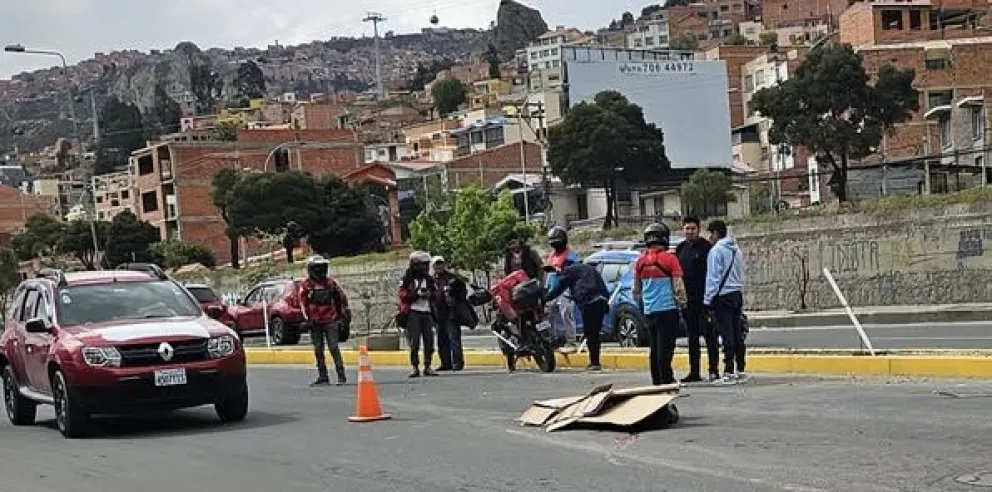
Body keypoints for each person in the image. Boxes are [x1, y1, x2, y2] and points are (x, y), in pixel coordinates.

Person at [632, 223, 688, 386]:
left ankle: (656, 380)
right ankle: (666, 379)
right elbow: (678, 285)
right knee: (666, 348)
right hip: (668, 309)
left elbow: (636, 290)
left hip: (649, 310)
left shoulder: (640, 262)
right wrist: (683, 303)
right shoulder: (670, 259)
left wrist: (644, 305)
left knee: (654, 348)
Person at [675, 215, 720, 383]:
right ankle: (694, 372)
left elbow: (713, 274)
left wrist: (710, 299)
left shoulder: (707, 248)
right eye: (687, 229)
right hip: (688, 302)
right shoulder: (680, 249)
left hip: (705, 301)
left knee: (710, 336)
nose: (690, 232)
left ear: (698, 229)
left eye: (693, 228)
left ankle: (713, 370)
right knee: (692, 338)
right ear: (683, 230)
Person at [544, 259, 610, 371]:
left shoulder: (569, 271)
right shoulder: (589, 268)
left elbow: (559, 288)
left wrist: (545, 299)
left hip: (588, 301)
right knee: (595, 333)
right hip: (601, 300)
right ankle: (595, 361)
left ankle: (595, 363)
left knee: (590, 333)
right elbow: (602, 285)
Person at [703, 220, 747, 385]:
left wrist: (707, 300)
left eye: (710, 234)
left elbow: (713, 278)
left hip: (723, 297)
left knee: (726, 334)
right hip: (736, 294)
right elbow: (742, 274)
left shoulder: (716, 251)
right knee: (737, 334)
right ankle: (740, 370)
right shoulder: (736, 250)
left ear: (715, 233)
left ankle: (728, 371)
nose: (709, 238)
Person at [298, 255, 350, 386]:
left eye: (322, 267)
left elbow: (341, 299)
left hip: (330, 320)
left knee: (334, 347)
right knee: (318, 349)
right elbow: (302, 304)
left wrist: (341, 317)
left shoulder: (331, 283)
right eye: (317, 268)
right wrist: (307, 319)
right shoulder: (306, 285)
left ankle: (341, 375)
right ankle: (323, 376)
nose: (320, 271)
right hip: (315, 322)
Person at [398, 251, 439, 378]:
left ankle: (427, 366)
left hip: (427, 313)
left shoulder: (429, 280)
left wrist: (429, 295)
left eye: (427, 265)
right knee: (414, 342)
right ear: (415, 265)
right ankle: (415, 367)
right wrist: (416, 295)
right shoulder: (407, 280)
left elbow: (436, 294)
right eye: (423, 265)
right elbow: (402, 295)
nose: (425, 268)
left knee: (429, 341)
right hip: (413, 313)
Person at [545, 226, 582, 354]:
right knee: (548, 314)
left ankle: (571, 341)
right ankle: (553, 339)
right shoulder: (552, 256)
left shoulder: (571, 256)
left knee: (566, 313)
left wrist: (560, 271)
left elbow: (576, 270)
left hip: (566, 289)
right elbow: (549, 274)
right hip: (552, 289)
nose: (554, 246)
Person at [431, 256, 467, 372]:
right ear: (433, 266)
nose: (439, 266)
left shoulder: (452, 278)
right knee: (442, 340)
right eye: (437, 264)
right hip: (438, 313)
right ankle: (445, 363)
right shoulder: (431, 280)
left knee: (454, 338)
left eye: (440, 263)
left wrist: (455, 299)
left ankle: (457, 363)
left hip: (451, 313)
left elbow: (462, 291)